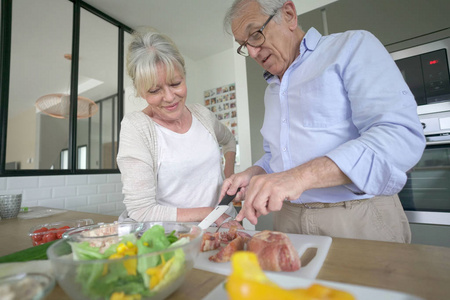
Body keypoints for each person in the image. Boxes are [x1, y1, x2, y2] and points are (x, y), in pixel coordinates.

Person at [220, 0, 426, 242]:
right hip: (287, 220)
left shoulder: (351, 47)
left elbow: (399, 136)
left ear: (288, 15)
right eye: (244, 46)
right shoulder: (272, 90)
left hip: (357, 217)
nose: (252, 52)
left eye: (255, 35)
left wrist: (297, 177)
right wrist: (254, 173)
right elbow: (276, 156)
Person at [117, 28, 237, 226]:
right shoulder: (136, 128)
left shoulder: (202, 115)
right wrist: (211, 214)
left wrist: (229, 177)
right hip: (178, 238)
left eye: (175, 83)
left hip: (226, 226)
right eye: (155, 90)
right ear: (140, 92)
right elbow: (141, 210)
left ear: (184, 75)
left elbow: (229, 140)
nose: (170, 97)